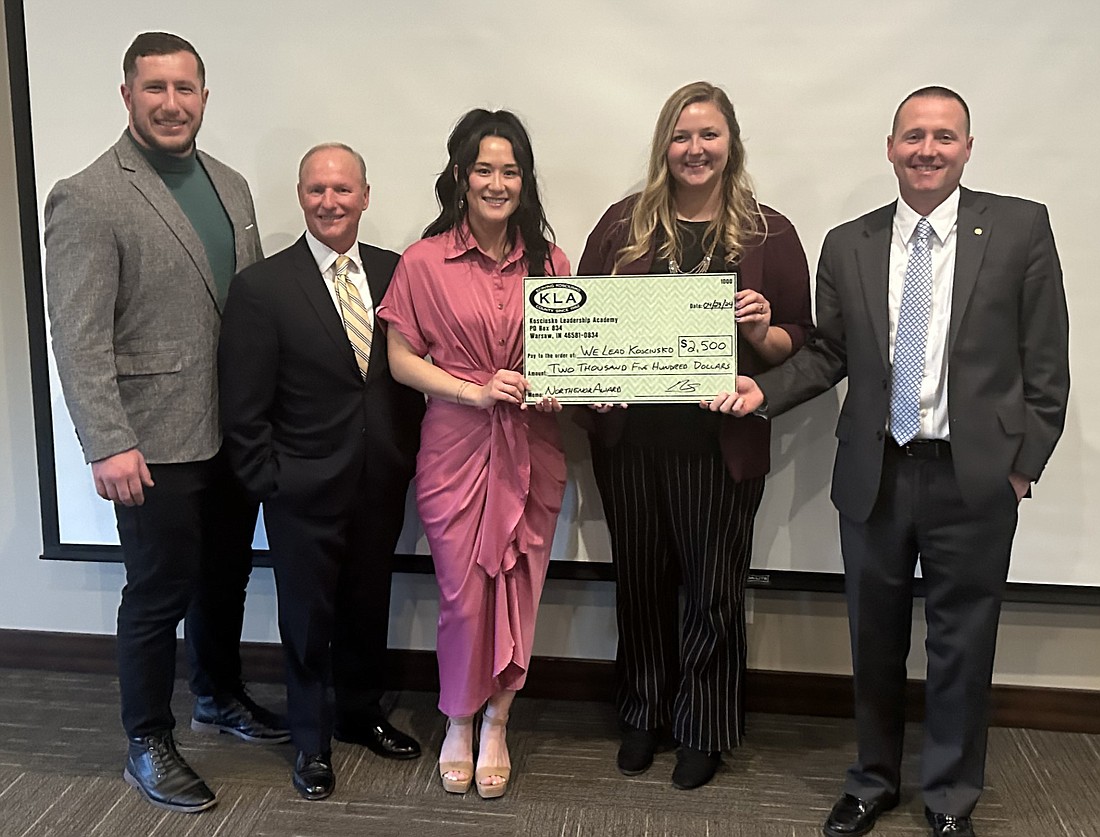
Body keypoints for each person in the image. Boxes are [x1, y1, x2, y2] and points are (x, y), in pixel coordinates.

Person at [729, 87, 1069, 837]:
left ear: (968, 148)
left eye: (945, 136)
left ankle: (948, 797)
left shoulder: (1019, 228)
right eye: (913, 135)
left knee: (963, 644)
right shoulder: (849, 242)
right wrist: (764, 389)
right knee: (873, 638)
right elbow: (827, 356)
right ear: (889, 147)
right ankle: (872, 780)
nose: (928, 148)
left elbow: (1047, 363)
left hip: (974, 478)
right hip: (876, 473)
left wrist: (1024, 466)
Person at [43, 31, 287, 814]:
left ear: (205, 97)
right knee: (156, 591)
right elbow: (77, 335)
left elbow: (246, 312)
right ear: (127, 96)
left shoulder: (232, 185)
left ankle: (217, 695)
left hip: (232, 432)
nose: (172, 104)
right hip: (152, 439)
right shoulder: (87, 195)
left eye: (186, 89)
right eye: (156, 89)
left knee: (226, 577)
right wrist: (107, 439)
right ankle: (147, 738)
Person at [576, 81, 814, 790]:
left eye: (709, 135)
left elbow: (800, 346)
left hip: (719, 446)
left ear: (730, 143)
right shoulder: (624, 226)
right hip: (633, 442)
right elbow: (580, 325)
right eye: (682, 136)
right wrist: (589, 379)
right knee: (641, 584)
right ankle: (643, 711)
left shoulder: (769, 233)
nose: (695, 149)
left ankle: (704, 724)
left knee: (712, 590)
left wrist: (760, 329)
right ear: (664, 146)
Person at [218, 143, 426, 801]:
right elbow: (243, 404)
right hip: (300, 488)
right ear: (301, 196)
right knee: (307, 619)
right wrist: (269, 480)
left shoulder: (400, 274)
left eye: (342, 189)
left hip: (382, 476)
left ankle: (360, 713)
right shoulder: (262, 287)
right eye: (316, 190)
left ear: (365, 195)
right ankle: (309, 740)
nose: (329, 202)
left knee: (368, 603)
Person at [378, 109, 569, 800]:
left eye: (510, 170)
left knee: (521, 588)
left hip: (532, 450)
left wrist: (552, 387)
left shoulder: (551, 262)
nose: (497, 182)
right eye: (484, 168)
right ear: (460, 176)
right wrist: (472, 389)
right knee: (462, 594)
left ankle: (498, 719)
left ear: (525, 179)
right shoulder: (423, 260)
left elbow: (562, 360)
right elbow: (400, 359)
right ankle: (457, 716)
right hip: (455, 450)